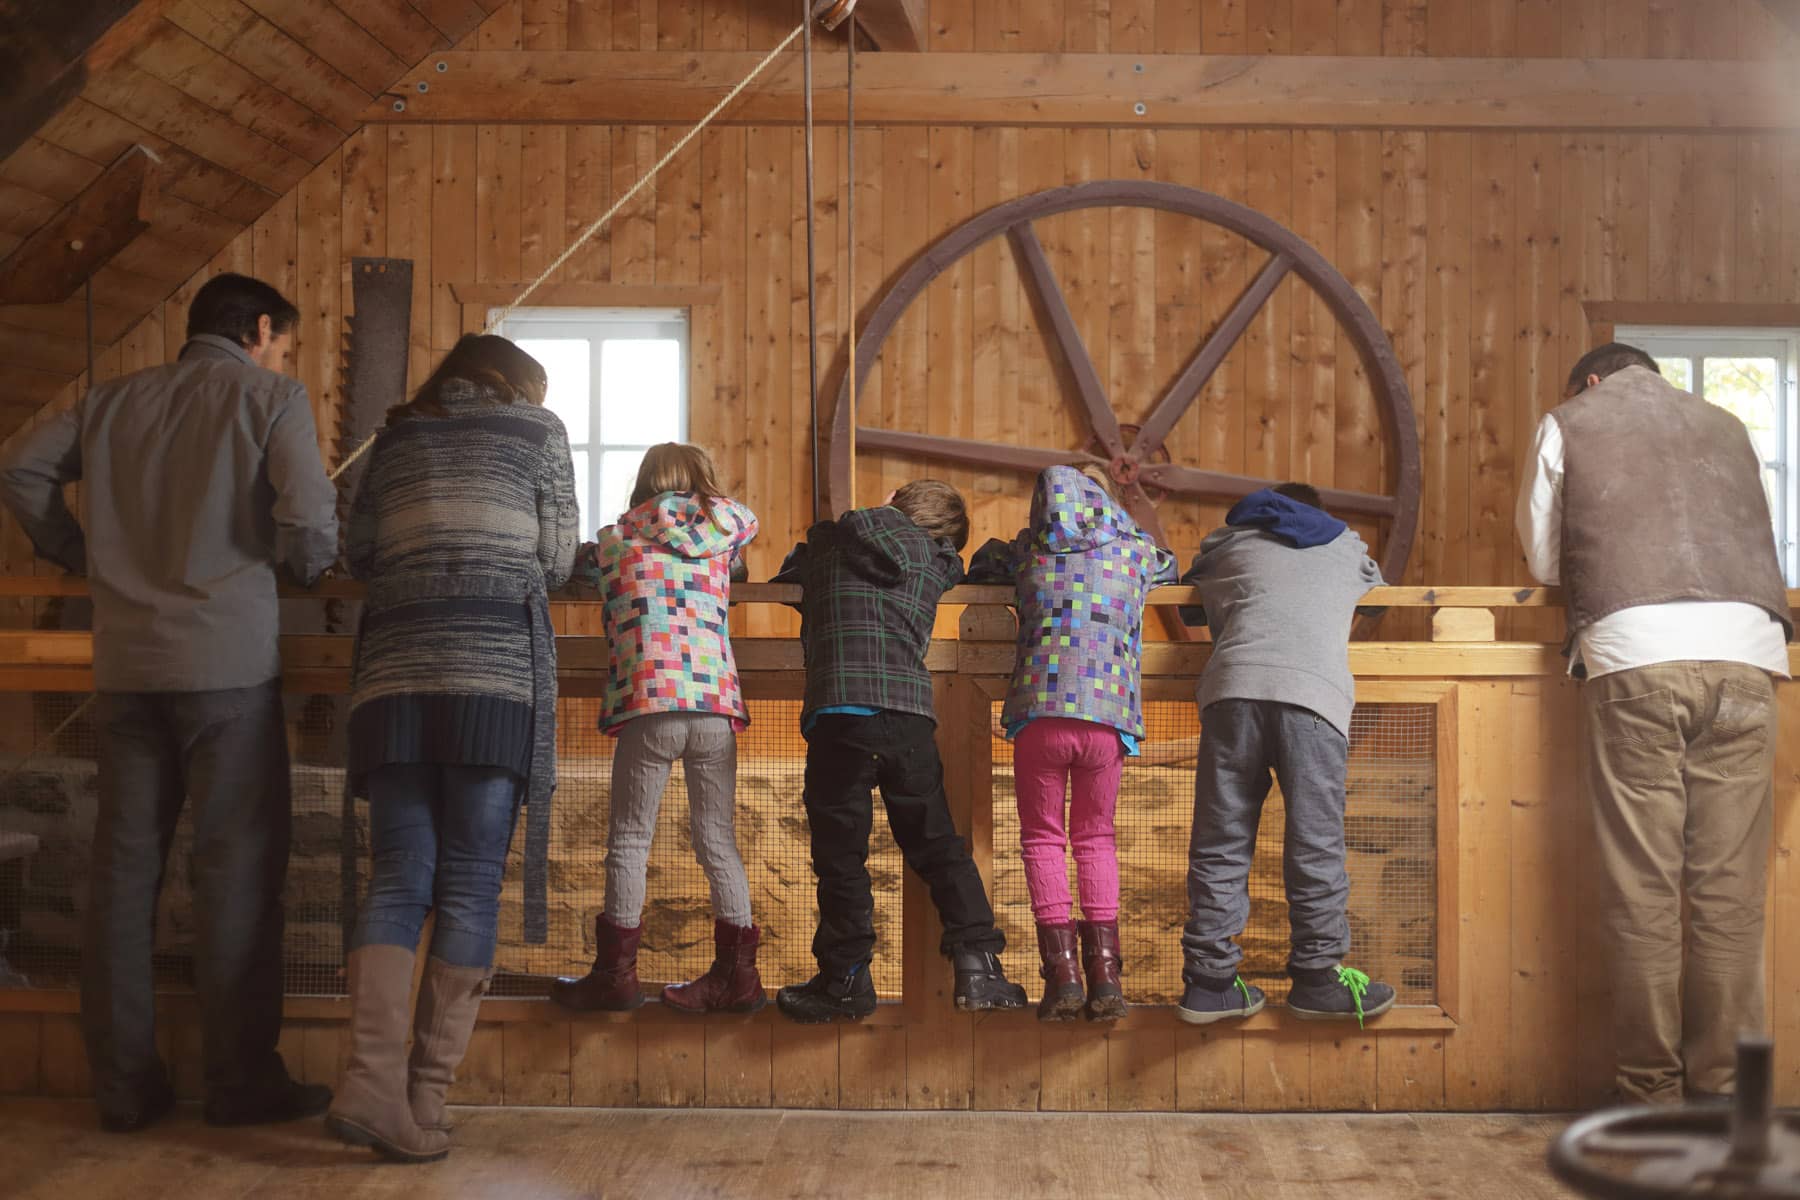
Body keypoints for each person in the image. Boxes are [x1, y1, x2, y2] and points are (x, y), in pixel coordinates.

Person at [0, 273, 338, 1131]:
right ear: (261, 329)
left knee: (120, 878)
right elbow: (307, 521)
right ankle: (238, 1084)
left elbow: (21, 467)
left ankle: (123, 1089)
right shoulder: (272, 398)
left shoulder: (112, 399)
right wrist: (306, 565)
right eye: (284, 342)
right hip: (229, 669)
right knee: (236, 874)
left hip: (124, 671)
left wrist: (77, 552)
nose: (283, 356)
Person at [1516, 342, 1790, 1106]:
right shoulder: (1728, 423)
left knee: (1644, 890)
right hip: (1749, 657)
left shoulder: (1571, 419)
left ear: (1592, 381)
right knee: (1729, 896)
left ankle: (1651, 1097)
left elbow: (1543, 562)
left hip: (1637, 656)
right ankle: (1728, 1097)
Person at [325, 335, 578, 1162]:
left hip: (394, 676)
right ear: (516, 384)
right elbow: (556, 559)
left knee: (398, 879)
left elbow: (358, 552)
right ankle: (425, 1099)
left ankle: (369, 1086)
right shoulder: (538, 431)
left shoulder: (397, 436)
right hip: (493, 678)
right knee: (470, 883)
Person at [771, 481, 1027, 1022]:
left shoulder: (826, 544)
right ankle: (980, 969)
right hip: (906, 716)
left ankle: (844, 981)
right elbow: (966, 567)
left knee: (841, 858)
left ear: (896, 501)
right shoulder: (938, 562)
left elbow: (788, 575)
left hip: (838, 713)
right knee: (938, 844)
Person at [551, 443, 765, 1014]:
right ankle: (739, 977)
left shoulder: (615, 542)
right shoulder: (725, 543)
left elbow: (572, 570)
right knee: (716, 838)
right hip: (715, 705)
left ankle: (615, 976)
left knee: (629, 839)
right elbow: (743, 538)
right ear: (705, 480)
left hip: (650, 702)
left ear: (644, 482)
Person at [1176, 483, 1395, 1026]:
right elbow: (1382, 596)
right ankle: (1318, 980)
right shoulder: (1345, 545)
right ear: (1319, 513)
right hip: (1313, 700)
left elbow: (1192, 610)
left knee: (1220, 842)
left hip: (1231, 694)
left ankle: (1209, 983)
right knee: (1315, 841)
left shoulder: (1223, 547)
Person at [968, 464, 1177, 1021]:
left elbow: (984, 563)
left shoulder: (1027, 553)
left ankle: (1062, 978)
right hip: (1106, 715)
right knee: (1095, 840)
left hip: (1040, 715)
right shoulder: (1134, 550)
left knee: (1041, 842)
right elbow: (1172, 566)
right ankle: (1106, 978)